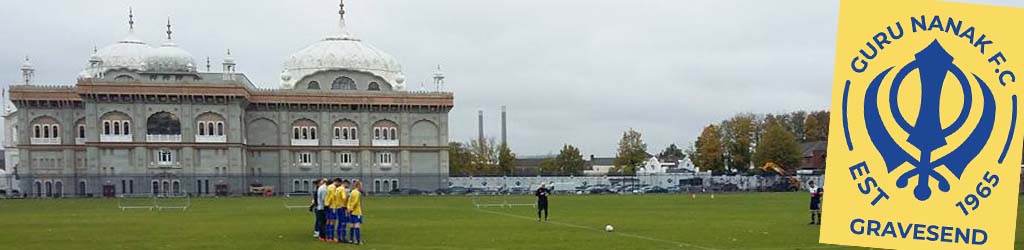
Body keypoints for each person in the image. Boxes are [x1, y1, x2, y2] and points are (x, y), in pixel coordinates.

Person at [347, 180, 364, 245]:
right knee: (357, 225)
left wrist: (349, 208)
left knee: (352, 224)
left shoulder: (352, 192)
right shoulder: (357, 193)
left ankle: (351, 239)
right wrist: (351, 209)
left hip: (351, 211)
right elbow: (356, 202)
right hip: (356, 211)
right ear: (358, 185)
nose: (362, 187)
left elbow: (349, 201)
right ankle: (357, 240)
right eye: (361, 185)